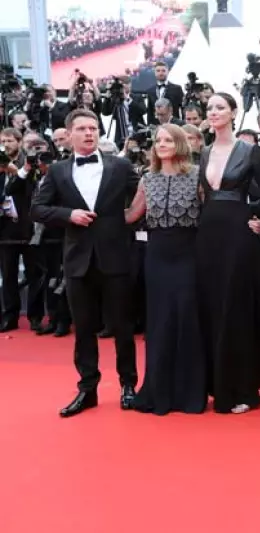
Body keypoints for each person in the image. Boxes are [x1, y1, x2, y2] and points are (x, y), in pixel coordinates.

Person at [31, 108, 139, 418]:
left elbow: (145, 194)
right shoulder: (58, 171)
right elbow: (38, 209)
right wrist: (69, 215)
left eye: (93, 128)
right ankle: (87, 388)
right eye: (82, 128)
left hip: (116, 257)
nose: (89, 133)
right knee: (84, 330)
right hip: (77, 260)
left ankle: (128, 385)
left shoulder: (120, 167)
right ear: (69, 135)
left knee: (122, 327)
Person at [196, 92, 260, 414]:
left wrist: (257, 219)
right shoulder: (205, 151)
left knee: (234, 308)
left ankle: (242, 389)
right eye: (209, 108)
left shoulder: (249, 150)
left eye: (220, 107)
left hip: (238, 236)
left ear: (234, 113)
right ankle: (218, 383)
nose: (214, 112)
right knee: (213, 306)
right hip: (208, 236)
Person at [124, 124, 206, 415]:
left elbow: (211, 215)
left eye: (168, 139)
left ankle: (189, 393)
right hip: (156, 256)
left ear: (180, 143)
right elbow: (133, 215)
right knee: (159, 322)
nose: (162, 143)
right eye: (158, 140)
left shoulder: (197, 175)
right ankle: (158, 391)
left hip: (188, 255)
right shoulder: (147, 178)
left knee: (186, 319)